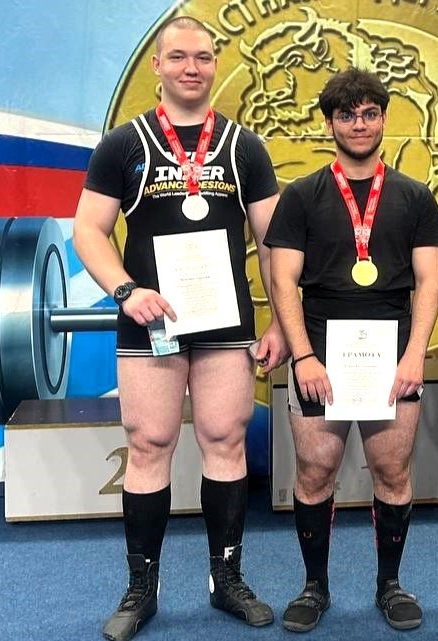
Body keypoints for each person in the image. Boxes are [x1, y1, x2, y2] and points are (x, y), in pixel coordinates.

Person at [73, 17, 286, 641]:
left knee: (225, 439)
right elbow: (89, 230)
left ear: (215, 64)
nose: (192, 67)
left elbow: (274, 245)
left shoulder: (245, 147)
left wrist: (280, 320)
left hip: (225, 324)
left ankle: (227, 579)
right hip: (151, 323)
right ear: (158, 66)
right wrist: (125, 290)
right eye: (179, 57)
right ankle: (143, 587)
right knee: (149, 443)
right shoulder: (124, 145)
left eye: (203, 57)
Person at [265, 67, 438, 632]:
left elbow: (429, 281)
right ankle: (314, 587)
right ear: (330, 124)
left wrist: (415, 354)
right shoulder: (301, 196)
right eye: (347, 115)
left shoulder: (415, 196)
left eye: (369, 113)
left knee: (392, 469)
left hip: (393, 356)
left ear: (384, 118)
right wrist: (303, 357)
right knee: (315, 471)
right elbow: (283, 280)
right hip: (319, 352)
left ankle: (390, 585)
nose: (359, 124)